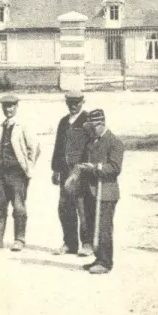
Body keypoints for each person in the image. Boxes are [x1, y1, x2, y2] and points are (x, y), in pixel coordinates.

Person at [0, 95, 40, 253]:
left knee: (19, 207)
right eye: (5, 106)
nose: (8, 109)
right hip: (0, 172)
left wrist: (28, 167)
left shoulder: (23, 126)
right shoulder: (1, 127)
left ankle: (19, 239)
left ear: (16, 107)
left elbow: (34, 148)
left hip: (17, 173)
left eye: (11, 106)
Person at [72, 108, 123, 275]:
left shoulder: (114, 142)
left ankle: (106, 262)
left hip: (106, 192)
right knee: (93, 226)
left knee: (104, 228)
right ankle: (98, 257)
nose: (91, 131)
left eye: (93, 128)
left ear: (102, 124)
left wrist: (94, 168)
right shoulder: (91, 142)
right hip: (91, 191)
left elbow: (115, 168)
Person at [49, 90, 92, 257]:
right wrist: (55, 169)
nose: (73, 106)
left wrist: (84, 168)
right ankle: (69, 243)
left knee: (83, 208)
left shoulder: (88, 121)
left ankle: (87, 244)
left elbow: (91, 147)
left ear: (82, 102)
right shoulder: (63, 122)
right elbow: (58, 147)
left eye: (77, 103)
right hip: (65, 171)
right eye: (70, 103)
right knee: (65, 207)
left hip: (81, 171)